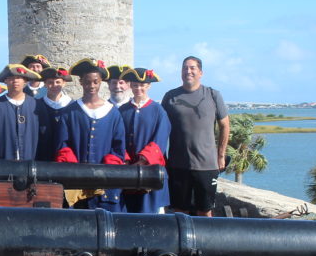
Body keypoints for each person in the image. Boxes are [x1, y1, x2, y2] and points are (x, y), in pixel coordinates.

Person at [161, 56, 230, 217]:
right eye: (185, 68)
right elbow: (161, 128)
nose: (188, 71)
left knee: (205, 211)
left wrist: (221, 156)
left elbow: (225, 125)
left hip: (207, 166)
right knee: (179, 211)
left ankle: (205, 242)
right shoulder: (170, 97)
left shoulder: (213, 95)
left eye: (192, 68)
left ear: (200, 72)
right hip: (178, 165)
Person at [56, 58, 127, 211]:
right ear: (81, 82)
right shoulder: (69, 112)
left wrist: (104, 173)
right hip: (76, 185)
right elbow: (63, 144)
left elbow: (118, 147)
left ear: (100, 82)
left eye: (95, 82)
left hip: (106, 187)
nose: (91, 86)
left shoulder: (113, 113)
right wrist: (76, 172)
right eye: (87, 82)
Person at [118, 68, 171, 214]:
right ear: (130, 86)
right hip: (128, 171)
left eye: (142, 85)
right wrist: (127, 160)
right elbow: (118, 138)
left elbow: (160, 139)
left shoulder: (158, 111)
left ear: (148, 86)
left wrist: (142, 161)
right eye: (135, 85)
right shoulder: (123, 110)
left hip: (150, 170)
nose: (138, 88)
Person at [0, 64, 40, 160]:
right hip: (3, 166)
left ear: (25, 81)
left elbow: (44, 138)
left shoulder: (36, 105)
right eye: (11, 78)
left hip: (31, 165)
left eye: (19, 78)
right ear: (5, 81)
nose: (15, 81)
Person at [34, 65, 71, 161]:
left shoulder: (72, 106)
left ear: (64, 84)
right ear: (45, 84)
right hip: (42, 157)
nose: (54, 85)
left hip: (66, 160)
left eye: (58, 82)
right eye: (50, 82)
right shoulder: (36, 105)